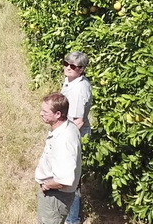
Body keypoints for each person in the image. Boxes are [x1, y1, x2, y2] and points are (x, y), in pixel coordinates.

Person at [35, 93, 82, 224]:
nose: (41, 114)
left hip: (55, 196)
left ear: (58, 114)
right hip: (56, 195)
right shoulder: (67, 127)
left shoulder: (64, 139)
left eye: (45, 111)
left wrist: (46, 185)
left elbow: (64, 179)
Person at [60, 51, 92, 224]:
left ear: (82, 70)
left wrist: (64, 140)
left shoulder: (79, 89)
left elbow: (78, 121)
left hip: (74, 135)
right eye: (66, 64)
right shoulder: (71, 81)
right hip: (69, 131)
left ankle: (72, 220)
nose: (68, 68)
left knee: (71, 181)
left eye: (73, 66)